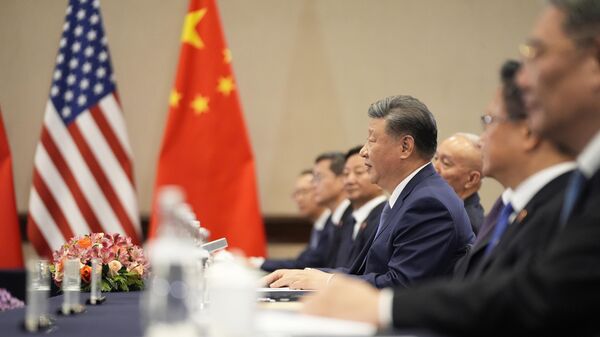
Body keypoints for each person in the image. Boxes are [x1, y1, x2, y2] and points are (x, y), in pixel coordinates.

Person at [304, 1, 600, 335]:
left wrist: (379, 305)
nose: (526, 79)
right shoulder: (550, 195)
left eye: (537, 52)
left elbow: (537, 298)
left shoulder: (432, 201)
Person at [262, 95, 474, 290]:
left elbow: (402, 285)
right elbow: (365, 273)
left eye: (371, 140)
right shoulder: (411, 195)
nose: (363, 151)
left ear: (405, 147)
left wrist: (327, 282)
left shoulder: (429, 203)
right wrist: (307, 275)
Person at [454, 60, 574, 279]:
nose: (481, 140)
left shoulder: (564, 215)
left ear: (528, 132)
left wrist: (387, 305)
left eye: (489, 121)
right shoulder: (509, 208)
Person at [260, 152, 351, 271]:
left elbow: (312, 264)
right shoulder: (334, 221)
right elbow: (305, 261)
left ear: (341, 180)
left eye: (319, 178)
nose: (314, 186)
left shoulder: (349, 219)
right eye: (296, 194)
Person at [250, 170, 329, 270]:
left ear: (319, 190)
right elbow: (302, 261)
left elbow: (306, 264)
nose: (299, 199)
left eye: (304, 192)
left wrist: (258, 263)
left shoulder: (334, 226)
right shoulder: (318, 226)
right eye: (296, 193)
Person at [329, 146, 387, 269]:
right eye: (345, 174)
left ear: (379, 176)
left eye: (359, 172)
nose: (349, 180)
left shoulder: (384, 218)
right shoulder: (347, 220)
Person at [433, 133, 485, 233]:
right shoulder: (446, 211)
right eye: (436, 158)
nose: (434, 168)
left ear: (471, 179)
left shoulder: (465, 224)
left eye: (446, 163)